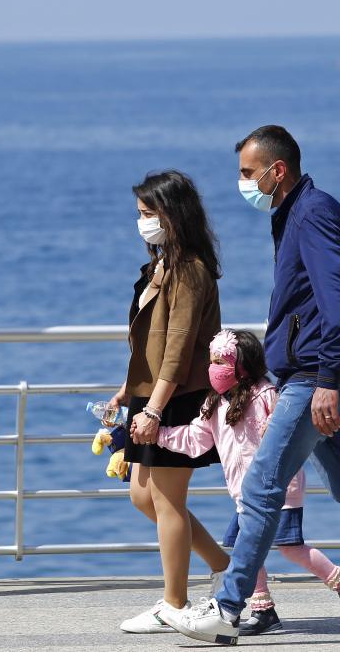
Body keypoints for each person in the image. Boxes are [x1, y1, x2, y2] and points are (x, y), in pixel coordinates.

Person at [161, 126, 340, 644]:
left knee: (262, 486)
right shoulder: (295, 214)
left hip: (313, 378)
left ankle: (226, 610)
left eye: (248, 173)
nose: (243, 182)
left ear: (278, 170)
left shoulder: (312, 215)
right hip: (312, 375)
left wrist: (329, 380)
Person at [157, 329, 340, 635]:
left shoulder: (267, 395)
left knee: (289, 547)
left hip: (280, 489)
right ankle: (263, 608)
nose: (214, 367)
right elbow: (194, 440)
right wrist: (158, 436)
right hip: (244, 493)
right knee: (245, 547)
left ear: (242, 365)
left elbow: (286, 438)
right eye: (212, 360)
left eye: (222, 360)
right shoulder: (215, 404)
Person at [106, 170, 232, 634]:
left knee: (166, 499)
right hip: (149, 392)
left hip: (175, 396)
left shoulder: (192, 270)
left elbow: (178, 348)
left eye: (147, 214)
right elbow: (149, 340)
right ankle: (226, 567)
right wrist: (128, 388)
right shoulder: (161, 265)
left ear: (172, 214)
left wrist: (154, 409)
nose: (141, 223)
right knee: (144, 497)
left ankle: (174, 604)